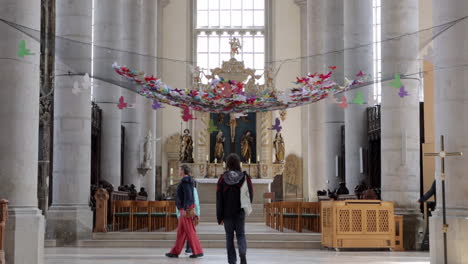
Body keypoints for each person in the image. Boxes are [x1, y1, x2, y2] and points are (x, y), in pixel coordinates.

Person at [217, 153, 253, 264]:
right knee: (241, 234)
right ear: (238, 163)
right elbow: (250, 193)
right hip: (239, 212)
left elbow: (219, 198)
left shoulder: (222, 179)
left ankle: (232, 261)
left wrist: (220, 216)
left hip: (227, 214)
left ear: (227, 163)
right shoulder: (245, 177)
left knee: (229, 237)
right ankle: (242, 253)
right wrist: (246, 207)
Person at [166, 165, 203, 259]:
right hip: (184, 208)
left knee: (190, 231)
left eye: (179, 169)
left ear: (182, 171)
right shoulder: (187, 181)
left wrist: (185, 209)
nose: (178, 171)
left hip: (185, 209)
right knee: (181, 232)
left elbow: (188, 196)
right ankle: (175, 251)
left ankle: (197, 251)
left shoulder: (185, 181)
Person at [175, 181, 201, 254]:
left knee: (184, 232)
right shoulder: (193, 189)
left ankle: (188, 249)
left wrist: (178, 214)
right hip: (189, 212)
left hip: (184, 213)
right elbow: (196, 202)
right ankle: (189, 249)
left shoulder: (181, 189)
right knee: (189, 231)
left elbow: (178, 202)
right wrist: (198, 213)